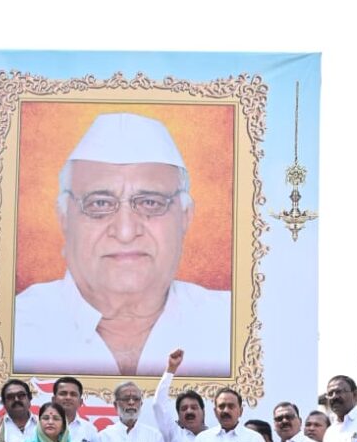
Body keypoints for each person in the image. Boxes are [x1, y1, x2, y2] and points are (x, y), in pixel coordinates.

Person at [14, 112, 231, 377]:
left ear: (185, 216)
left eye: (151, 202)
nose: (126, 232)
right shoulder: (17, 325)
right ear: (64, 217)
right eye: (99, 203)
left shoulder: (230, 324)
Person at [52, 376, 99, 442]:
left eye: (73, 394)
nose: (68, 397)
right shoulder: (41, 427)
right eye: (63, 393)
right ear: (53, 400)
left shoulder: (90, 430)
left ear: (80, 402)